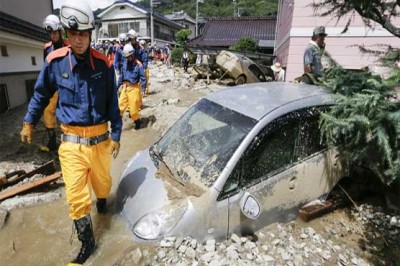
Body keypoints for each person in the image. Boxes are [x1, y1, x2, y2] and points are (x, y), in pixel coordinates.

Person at [20, 0, 122, 264]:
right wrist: (29, 122)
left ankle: (102, 206)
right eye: (74, 34)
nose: (79, 40)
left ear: (90, 34)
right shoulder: (54, 62)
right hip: (71, 144)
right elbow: (41, 95)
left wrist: (118, 135)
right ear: (66, 34)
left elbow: (113, 104)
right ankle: (87, 247)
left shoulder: (104, 65)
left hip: (100, 141)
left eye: (84, 34)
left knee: (103, 186)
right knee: (76, 197)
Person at [41, 14, 68, 151]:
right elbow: (46, 68)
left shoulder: (69, 46)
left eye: (54, 32)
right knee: (48, 110)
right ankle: (52, 141)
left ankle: (70, 140)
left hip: (68, 84)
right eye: (50, 32)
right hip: (54, 85)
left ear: (60, 31)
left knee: (67, 110)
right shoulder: (46, 48)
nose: (52, 35)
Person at [118, 44, 146, 130]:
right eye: (126, 57)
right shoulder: (124, 64)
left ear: (132, 55)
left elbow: (143, 78)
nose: (127, 58)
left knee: (133, 111)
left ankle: (137, 123)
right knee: (119, 107)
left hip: (134, 88)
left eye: (128, 57)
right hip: (125, 88)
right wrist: (116, 87)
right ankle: (117, 127)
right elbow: (121, 77)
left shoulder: (138, 65)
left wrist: (143, 89)